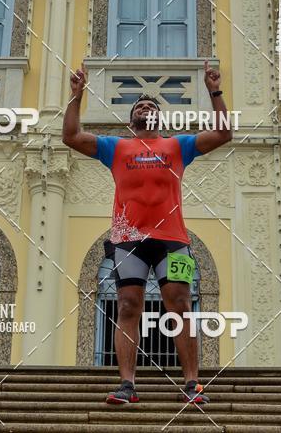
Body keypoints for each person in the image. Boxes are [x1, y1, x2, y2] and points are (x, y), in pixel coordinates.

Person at [62, 59, 232, 406]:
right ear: (131, 120)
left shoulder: (178, 146)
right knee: (127, 305)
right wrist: (76, 97)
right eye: (140, 106)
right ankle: (127, 385)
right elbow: (71, 136)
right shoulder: (116, 147)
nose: (145, 108)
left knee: (181, 305)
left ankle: (192, 383)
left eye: (151, 106)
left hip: (173, 241)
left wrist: (215, 90)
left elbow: (225, 133)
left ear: (160, 118)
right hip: (129, 241)